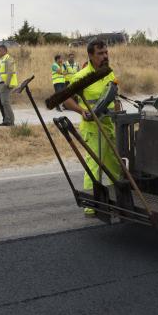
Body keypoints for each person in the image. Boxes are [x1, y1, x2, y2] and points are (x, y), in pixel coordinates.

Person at [62, 39, 122, 217]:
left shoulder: (109, 73)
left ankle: (115, 199)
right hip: (93, 128)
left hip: (109, 125)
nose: (105, 56)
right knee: (95, 165)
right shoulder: (81, 77)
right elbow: (66, 99)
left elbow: (112, 95)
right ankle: (91, 204)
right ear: (90, 55)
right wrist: (81, 111)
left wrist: (117, 107)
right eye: (100, 54)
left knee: (114, 166)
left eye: (106, 52)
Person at [0, 44, 17, 126]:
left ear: (5, 50)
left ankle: (11, 121)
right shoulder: (1, 59)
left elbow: (10, 72)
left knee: (5, 102)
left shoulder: (8, 58)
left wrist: (6, 84)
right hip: (0, 84)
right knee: (3, 103)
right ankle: (7, 120)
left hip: (4, 85)